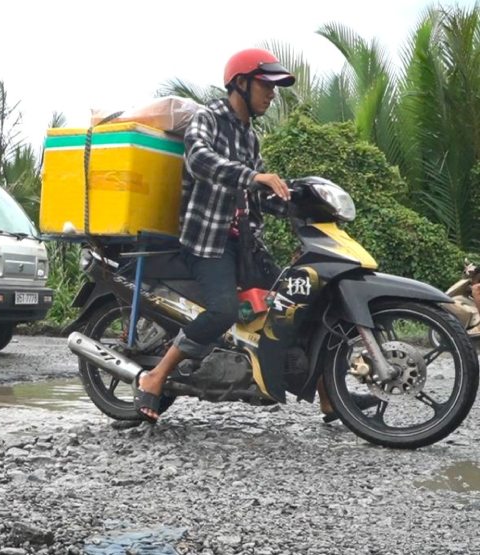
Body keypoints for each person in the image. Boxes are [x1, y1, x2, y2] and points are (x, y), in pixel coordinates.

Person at [134, 48, 379, 422]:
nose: (272, 94)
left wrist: (307, 203)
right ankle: (155, 377)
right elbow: (200, 160)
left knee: (300, 303)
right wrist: (251, 176)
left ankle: (330, 398)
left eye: (273, 88)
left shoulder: (250, 138)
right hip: (208, 243)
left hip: (245, 245)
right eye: (266, 86)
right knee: (223, 311)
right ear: (241, 84)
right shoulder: (208, 119)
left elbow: (263, 195)